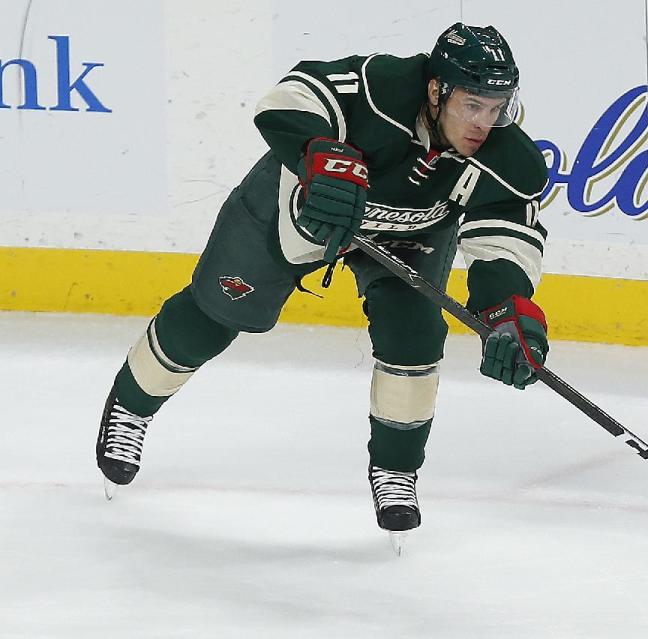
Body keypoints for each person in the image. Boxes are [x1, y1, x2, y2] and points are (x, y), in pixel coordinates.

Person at [95, 23, 550, 542]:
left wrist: (506, 309)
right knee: (216, 312)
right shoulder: (381, 85)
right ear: (435, 89)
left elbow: (505, 243)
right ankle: (130, 408)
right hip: (301, 209)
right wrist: (322, 156)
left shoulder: (509, 158)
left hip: (412, 235)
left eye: (496, 108)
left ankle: (397, 470)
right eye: (473, 105)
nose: (484, 123)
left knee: (415, 335)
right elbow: (288, 97)